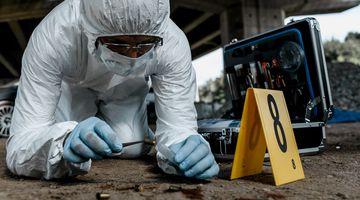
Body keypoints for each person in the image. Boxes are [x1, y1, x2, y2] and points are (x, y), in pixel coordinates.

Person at [6, 0, 219, 180]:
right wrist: (61, 142)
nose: (133, 57)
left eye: (145, 45)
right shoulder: (54, 34)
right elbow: (22, 142)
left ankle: (135, 132)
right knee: (72, 145)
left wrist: (184, 145)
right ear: (89, 30)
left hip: (126, 87)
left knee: (130, 147)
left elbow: (178, 125)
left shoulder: (172, 42)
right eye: (118, 44)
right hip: (72, 84)